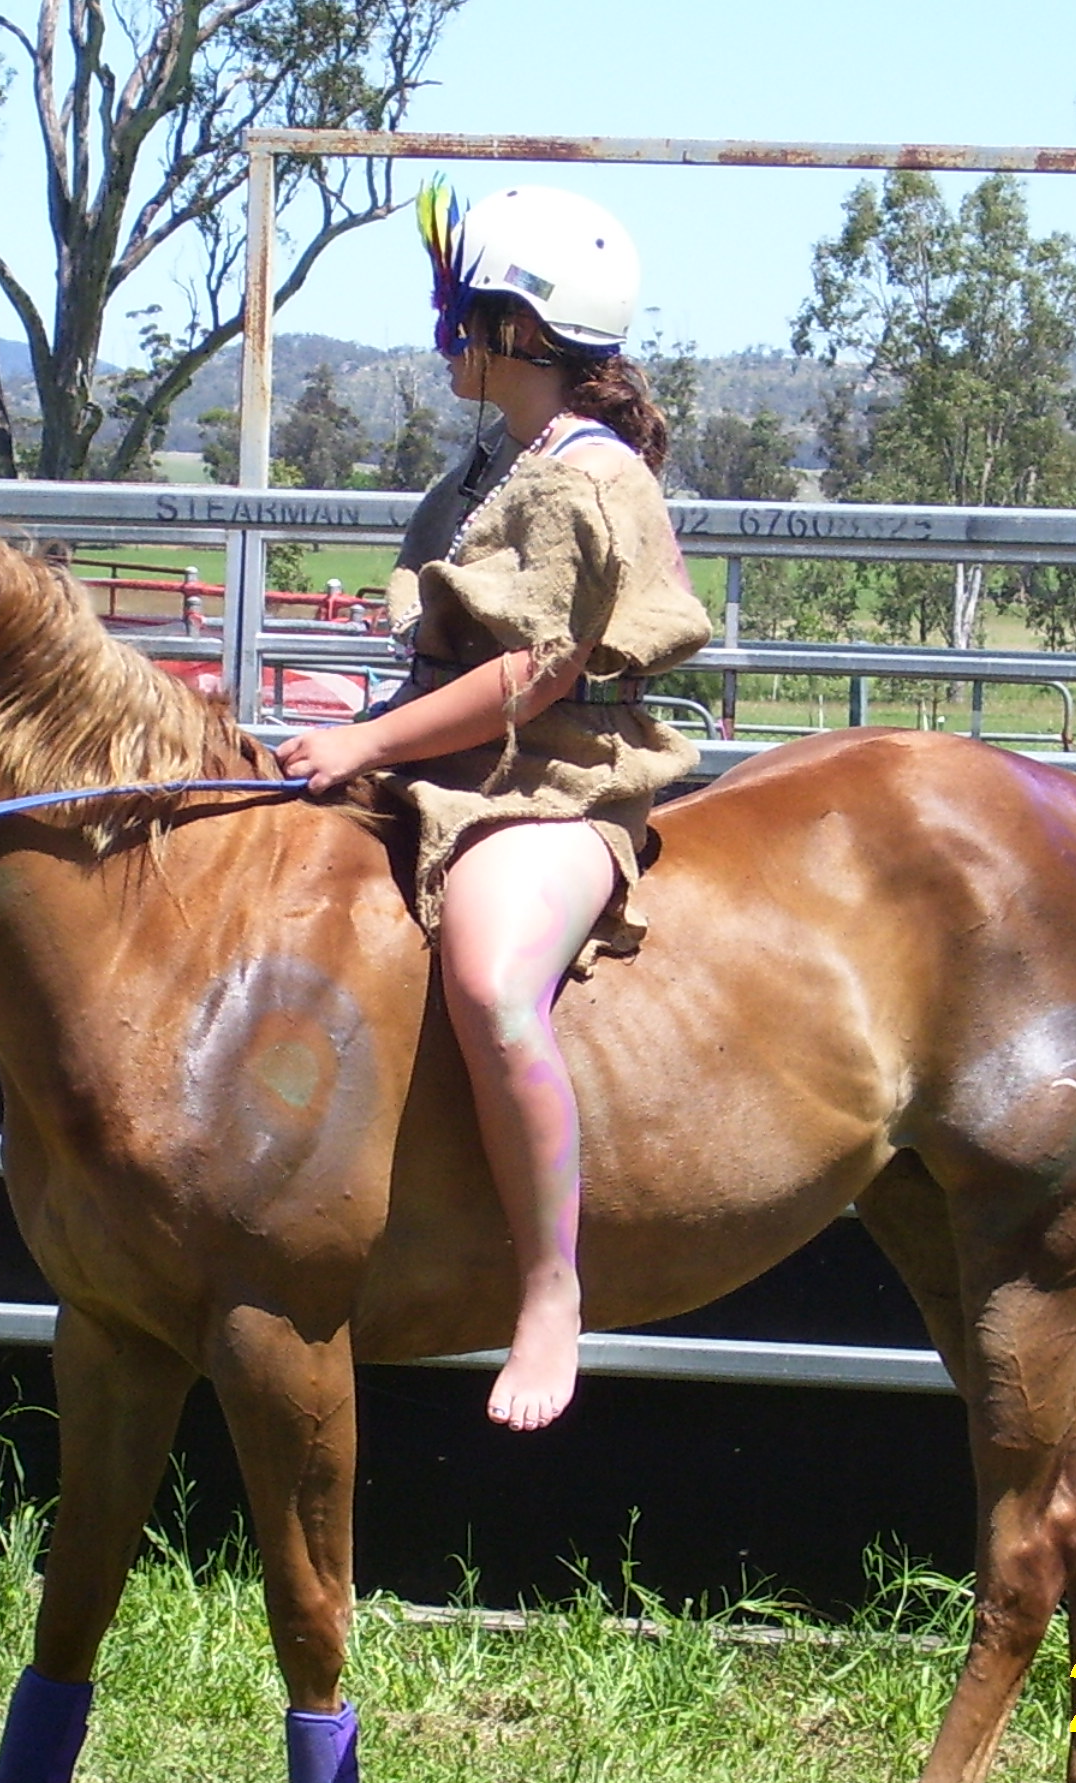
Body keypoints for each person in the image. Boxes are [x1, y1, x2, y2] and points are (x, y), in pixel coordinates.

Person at [276, 182, 711, 1430]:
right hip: (452, 761)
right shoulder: (490, 459)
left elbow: (534, 676)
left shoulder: (580, 477)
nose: (438, 330)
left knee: (489, 980)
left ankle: (547, 1287)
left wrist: (365, 736)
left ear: (517, 327)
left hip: (554, 778)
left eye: (455, 308)